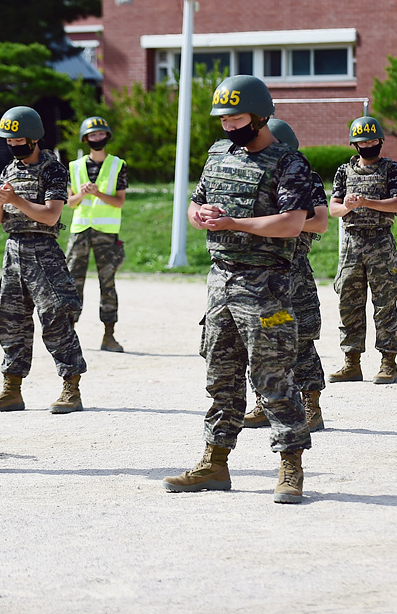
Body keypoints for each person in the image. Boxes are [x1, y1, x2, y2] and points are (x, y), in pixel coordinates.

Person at [163, 75, 315, 504]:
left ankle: (290, 466)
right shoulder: (218, 155)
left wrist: (233, 223)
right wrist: (200, 214)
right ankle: (215, 462)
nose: (229, 126)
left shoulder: (289, 164)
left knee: (274, 378)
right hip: (220, 283)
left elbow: (291, 223)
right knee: (220, 377)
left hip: (265, 284)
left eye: (237, 118)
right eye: (223, 119)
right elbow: (196, 203)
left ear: (261, 114)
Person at [0, 106, 87, 414]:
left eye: (19, 139)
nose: (14, 145)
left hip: (43, 253)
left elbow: (51, 215)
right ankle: (12, 388)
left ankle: (71, 387)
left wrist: (15, 199)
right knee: (11, 322)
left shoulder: (53, 169)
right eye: (9, 140)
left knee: (56, 318)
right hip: (14, 251)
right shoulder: (9, 170)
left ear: (34, 138)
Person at [241, 118, 329, 432]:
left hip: (294, 273)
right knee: (261, 339)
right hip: (259, 273)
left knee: (300, 339)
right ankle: (265, 403)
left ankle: (311, 407)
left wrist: (281, 221)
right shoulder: (251, 179)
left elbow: (320, 222)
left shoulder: (306, 179)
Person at [328, 116, 397, 385]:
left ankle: (388, 362)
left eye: (373, 141)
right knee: (348, 303)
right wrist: (349, 207)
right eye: (363, 142)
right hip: (352, 243)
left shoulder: (391, 169)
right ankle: (351, 362)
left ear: (381, 141)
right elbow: (333, 209)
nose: (368, 146)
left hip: (380, 242)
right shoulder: (344, 172)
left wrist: (366, 201)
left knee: (385, 302)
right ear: (354, 145)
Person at [65, 116, 128, 352]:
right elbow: (70, 203)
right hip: (80, 230)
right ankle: (68, 335)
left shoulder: (118, 165)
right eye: (93, 135)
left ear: (106, 136)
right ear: (86, 138)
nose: (97, 138)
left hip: (106, 232)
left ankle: (109, 336)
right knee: (72, 282)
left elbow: (119, 202)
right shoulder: (74, 166)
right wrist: (81, 194)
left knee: (107, 283)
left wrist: (98, 193)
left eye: (101, 134)